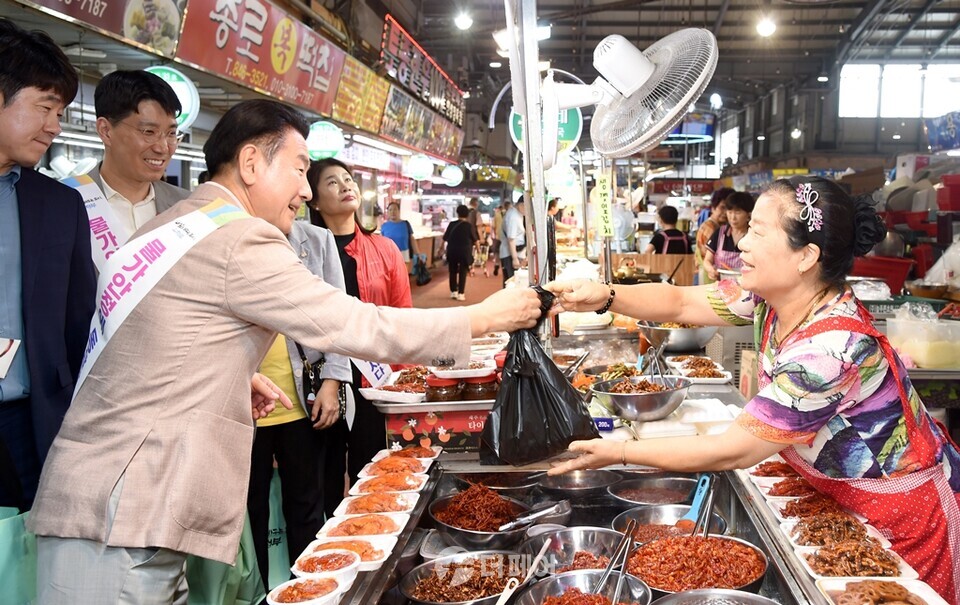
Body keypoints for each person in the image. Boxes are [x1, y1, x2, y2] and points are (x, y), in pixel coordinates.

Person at [27, 99, 542, 603]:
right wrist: (483, 318)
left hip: (110, 493)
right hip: (124, 506)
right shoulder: (238, 237)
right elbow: (347, 322)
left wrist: (232, 371)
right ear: (251, 163)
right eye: (298, 169)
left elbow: (151, 335)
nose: (304, 188)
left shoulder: (181, 220)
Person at [546, 176, 960, 604]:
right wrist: (603, 296)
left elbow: (732, 450)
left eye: (758, 231)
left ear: (806, 257)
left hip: (904, 522)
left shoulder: (830, 351)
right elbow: (681, 303)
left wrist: (618, 453)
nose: (741, 243)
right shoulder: (768, 299)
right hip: (843, 502)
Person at [0, 19, 96, 509]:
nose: (55, 125)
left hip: (30, 422)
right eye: (45, 107)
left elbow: (82, 321)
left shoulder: (60, 206)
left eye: (59, 111)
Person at [307, 157, 416, 513]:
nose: (345, 186)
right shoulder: (302, 254)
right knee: (321, 471)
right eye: (332, 182)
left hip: (375, 376)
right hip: (323, 377)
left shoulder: (384, 249)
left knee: (372, 466)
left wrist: (400, 381)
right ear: (314, 199)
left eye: (348, 179)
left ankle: (372, 532)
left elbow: (402, 315)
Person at [246, 217, 350, 594]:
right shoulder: (224, 236)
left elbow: (338, 316)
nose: (303, 189)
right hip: (243, 406)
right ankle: (259, 594)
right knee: (249, 512)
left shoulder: (316, 240)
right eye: (296, 171)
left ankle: (312, 592)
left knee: (307, 507)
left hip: (303, 400)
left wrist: (332, 381)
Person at [88, 70, 188, 245]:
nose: (163, 147)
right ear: (105, 130)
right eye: (149, 132)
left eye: (171, 133)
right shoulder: (66, 203)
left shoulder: (187, 207)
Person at [702, 191, 754, 281]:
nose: (732, 217)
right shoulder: (720, 233)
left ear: (748, 214)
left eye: (737, 212)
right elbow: (707, 260)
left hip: (746, 288)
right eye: (729, 212)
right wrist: (710, 270)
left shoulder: (753, 236)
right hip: (722, 286)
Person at [695, 188, 733, 284]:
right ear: (713, 207)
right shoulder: (710, 228)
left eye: (729, 208)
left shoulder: (720, 226)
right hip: (708, 274)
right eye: (722, 207)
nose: (725, 212)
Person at [443, 204, 479, 301]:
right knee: (463, 271)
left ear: (457, 213)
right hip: (464, 251)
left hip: (452, 250)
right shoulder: (469, 226)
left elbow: (445, 238)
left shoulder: (451, 224)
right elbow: (475, 240)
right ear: (467, 214)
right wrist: (479, 251)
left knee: (452, 270)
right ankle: (461, 293)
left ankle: (453, 291)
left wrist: (440, 249)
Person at [499, 198, 526, 284]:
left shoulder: (518, 214)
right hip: (510, 254)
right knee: (511, 283)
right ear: (521, 204)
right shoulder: (513, 216)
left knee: (514, 281)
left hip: (515, 252)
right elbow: (511, 239)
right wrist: (514, 259)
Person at [491, 201, 509, 277]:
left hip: (499, 237)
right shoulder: (509, 215)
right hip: (507, 238)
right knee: (507, 253)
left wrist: (495, 234)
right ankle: (504, 266)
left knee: (497, 253)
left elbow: (493, 226)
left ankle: (497, 264)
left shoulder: (497, 215)